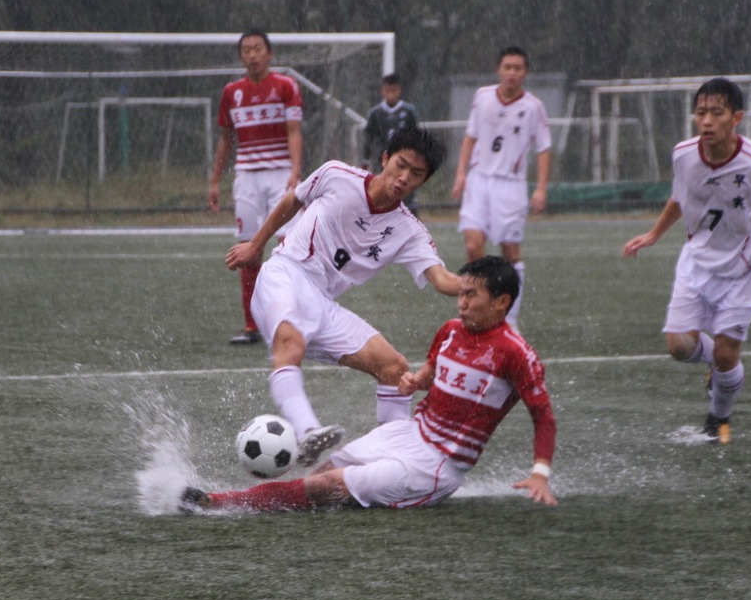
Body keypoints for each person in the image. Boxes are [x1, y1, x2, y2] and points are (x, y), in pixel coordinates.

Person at [181, 256, 558, 513]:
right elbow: (431, 371)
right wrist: (416, 381)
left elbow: (543, 416)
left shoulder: (516, 352)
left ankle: (220, 502)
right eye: (460, 292)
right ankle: (255, 498)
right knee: (326, 470)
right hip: (410, 434)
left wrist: (540, 472)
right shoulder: (451, 331)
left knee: (329, 487)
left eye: (470, 295)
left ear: (501, 302)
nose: (460, 302)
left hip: (438, 464)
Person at [224, 127, 460, 463]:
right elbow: (294, 199)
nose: (403, 178)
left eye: (416, 174)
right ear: (384, 159)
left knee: (394, 367)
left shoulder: (409, 231)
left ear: (423, 182)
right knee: (290, 343)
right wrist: (255, 245)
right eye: (401, 165)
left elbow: (440, 278)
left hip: (323, 304)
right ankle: (307, 433)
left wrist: (470, 285)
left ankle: (392, 455)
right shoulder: (337, 174)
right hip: (285, 274)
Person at [621, 77, 751, 445]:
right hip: (696, 264)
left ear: (737, 117)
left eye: (717, 112)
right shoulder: (684, 153)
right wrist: (653, 234)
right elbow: (680, 197)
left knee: (727, 353)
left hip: (742, 270)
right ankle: (714, 366)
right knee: (678, 347)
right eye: (701, 112)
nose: (707, 121)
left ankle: (718, 420)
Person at [208, 29, 303, 345]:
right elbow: (226, 139)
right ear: (241, 56)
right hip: (247, 176)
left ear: (269, 54)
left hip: (280, 175)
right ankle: (252, 325)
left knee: (292, 245)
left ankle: (294, 318)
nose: (252, 54)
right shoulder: (232, 92)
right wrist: (214, 181)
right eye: (246, 49)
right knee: (249, 247)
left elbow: (293, 130)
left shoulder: (286, 86)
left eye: (257, 48)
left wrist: (295, 171)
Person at [452, 45, 551, 331]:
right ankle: (478, 313)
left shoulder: (533, 107)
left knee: (510, 252)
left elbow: (544, 149)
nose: (511, 73)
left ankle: (509, 319)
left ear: (525, 72)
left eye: (517, 68)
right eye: (507, 67)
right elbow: (470, 137)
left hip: (511, 186)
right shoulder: (482, 97)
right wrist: (461, 173)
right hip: (479, 180)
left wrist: (541, 188)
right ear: (499, 69)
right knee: (473, 248)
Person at [362, 73, 422, 217]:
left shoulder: (409, 112)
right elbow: (368, 138)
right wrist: (365, 160)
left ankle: (411, 224)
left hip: (406, 163)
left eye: (394, 91)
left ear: (399, 90)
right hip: (383, 163)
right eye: (388, 91)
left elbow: (418, 137)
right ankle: (382, 224)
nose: (391, 94)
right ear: (382, 91)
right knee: (384, 193)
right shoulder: (376, 113)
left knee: (406, 196)